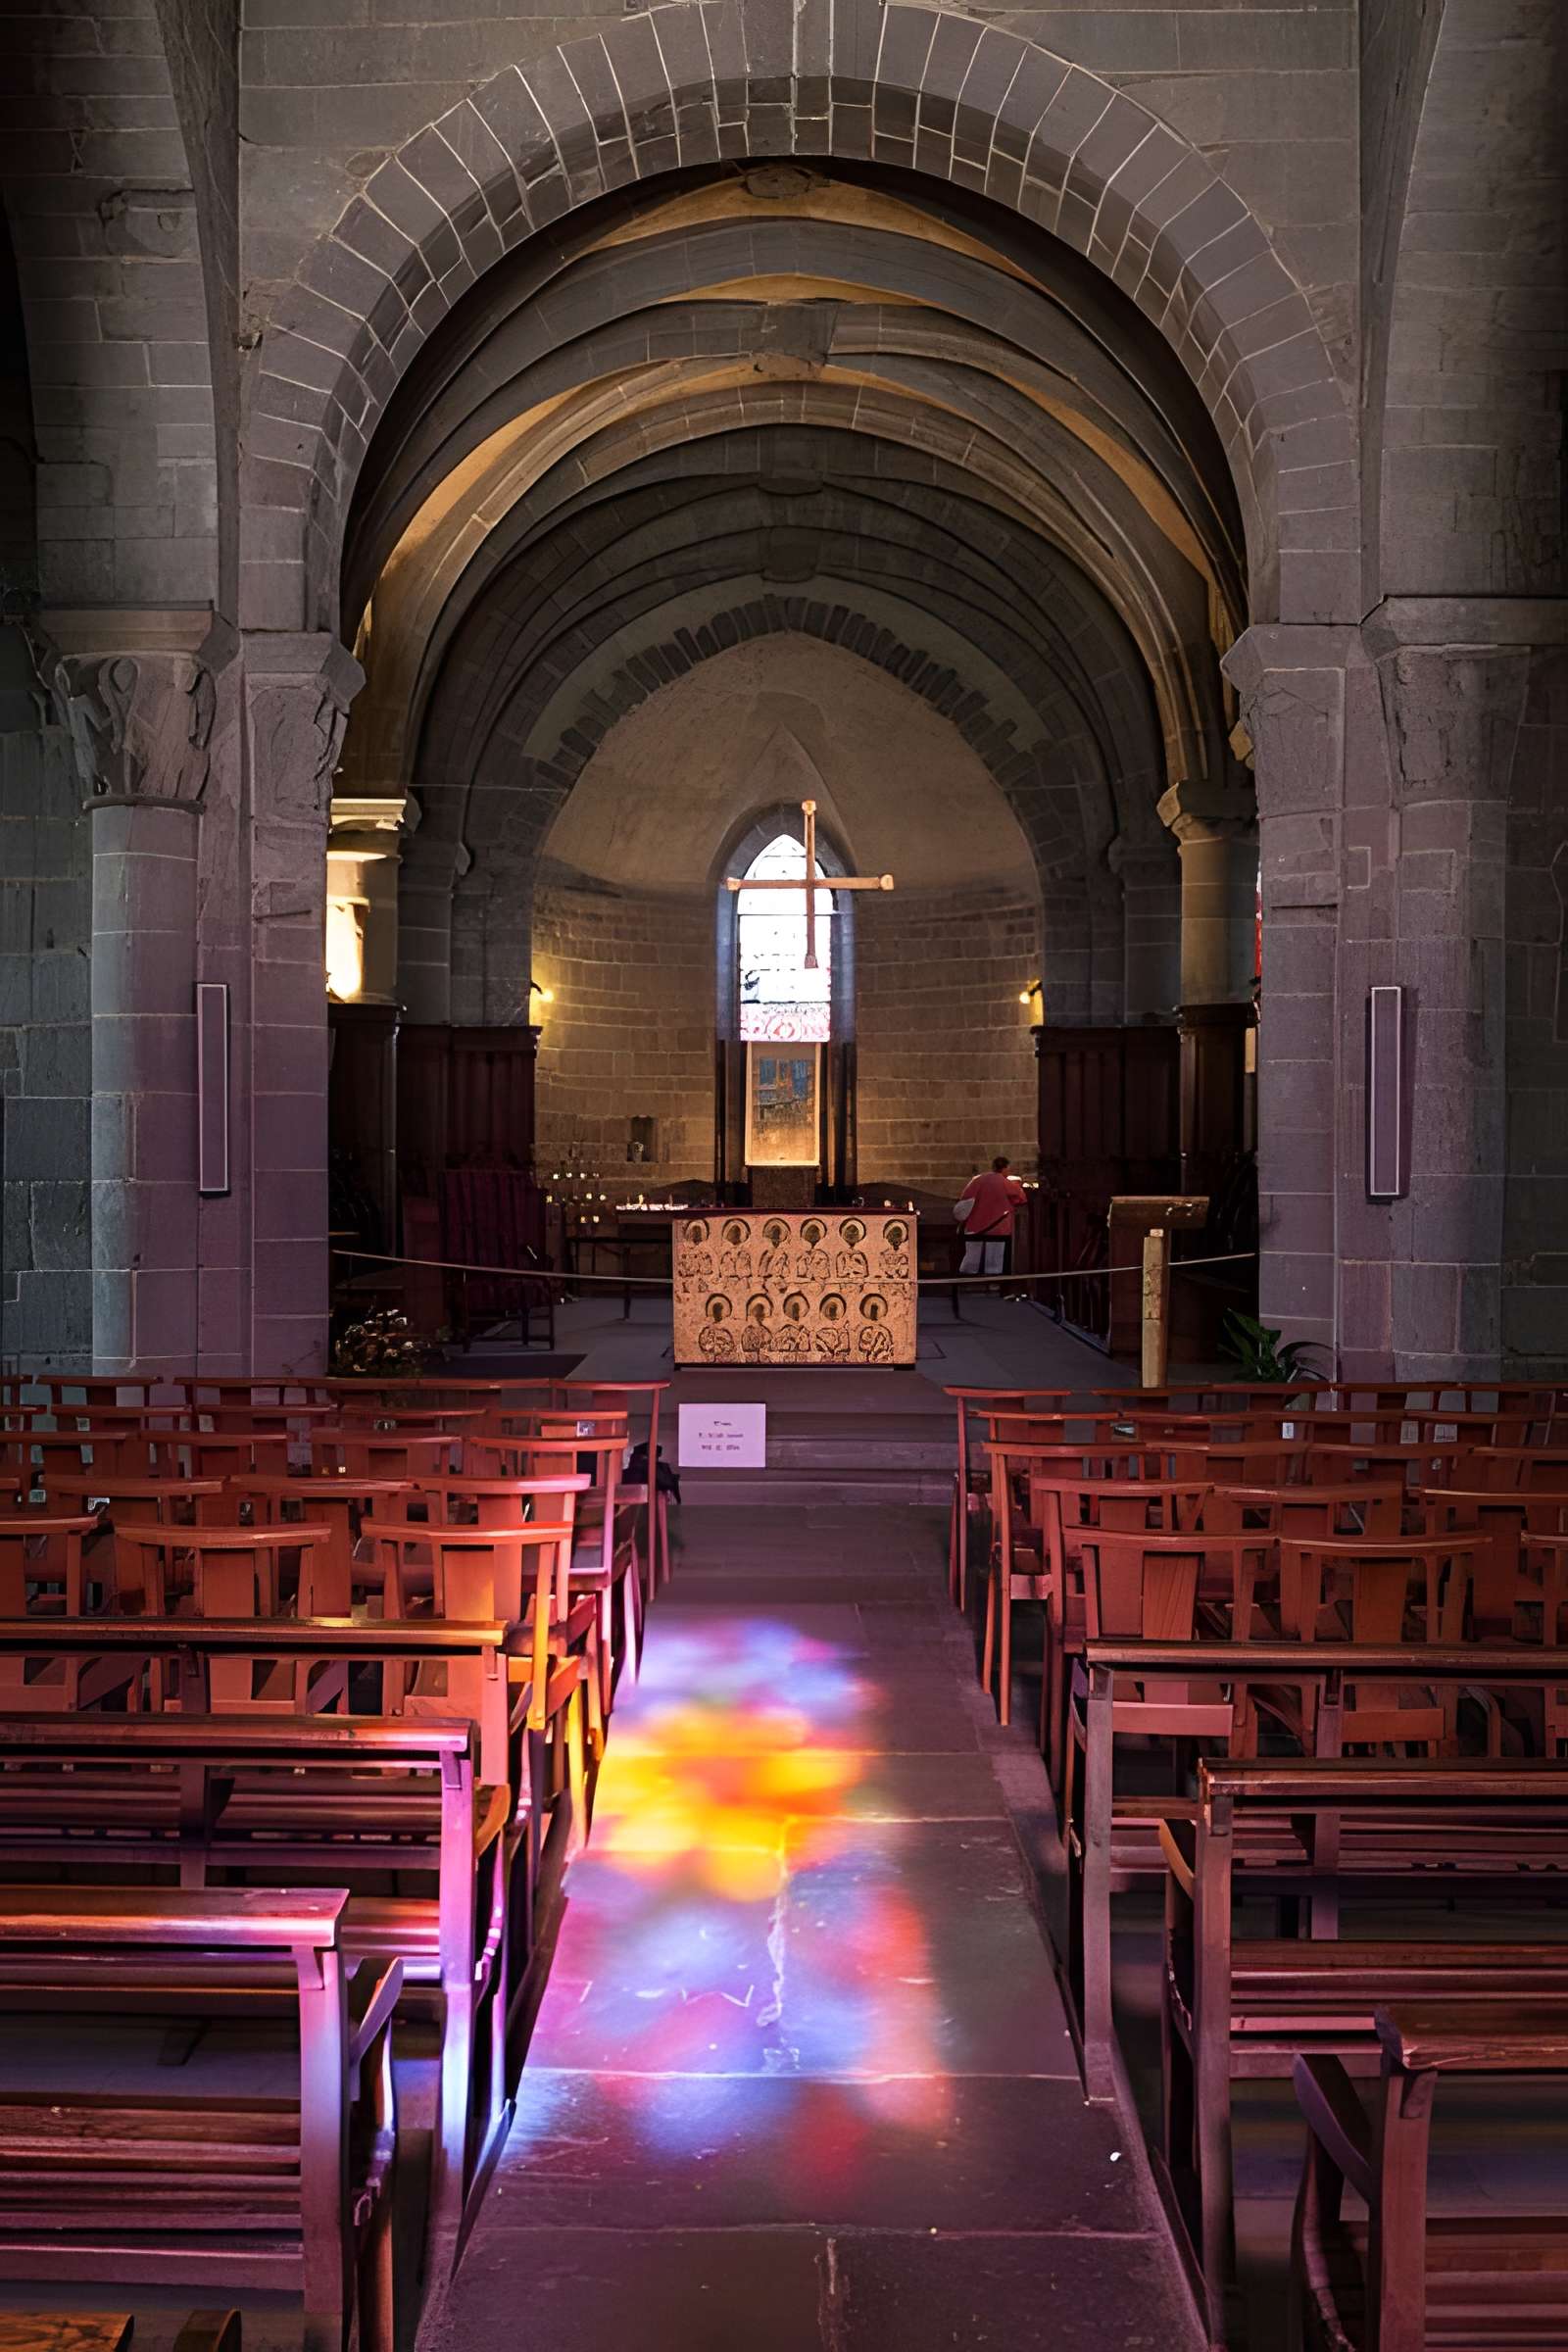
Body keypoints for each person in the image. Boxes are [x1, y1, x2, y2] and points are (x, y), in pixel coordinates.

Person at [957, 1155, 1027, 1283]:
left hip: (975, 1226)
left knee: (971, 1259)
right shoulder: (1004, 1182)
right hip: (998, 1228)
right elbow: (1021, 1197)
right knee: (994, 1261)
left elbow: (964, 1200)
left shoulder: (977, 1180)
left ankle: (966, 1283)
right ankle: (993, 1285)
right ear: (1005, 1168)